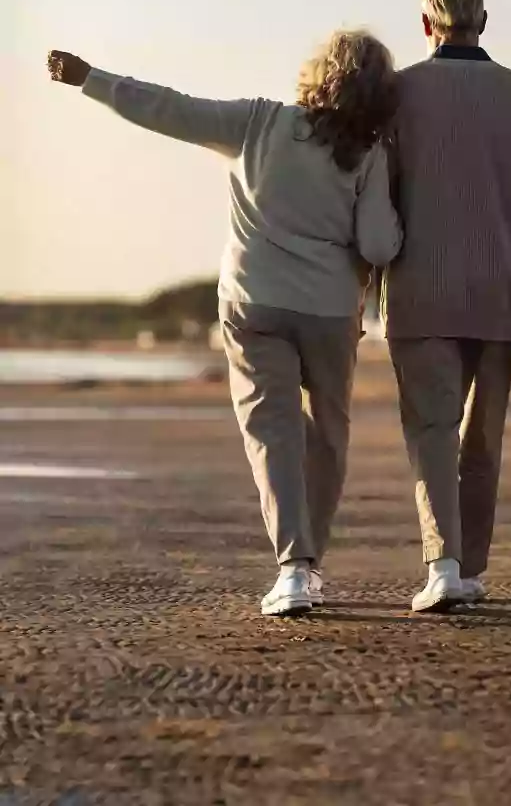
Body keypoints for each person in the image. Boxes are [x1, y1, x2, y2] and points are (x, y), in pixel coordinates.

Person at [47, 33, 403, 616]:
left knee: (273, 432)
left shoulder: (258, 122)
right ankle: (310, 565)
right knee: (327, 435)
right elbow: (378, 246)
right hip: (330, 311)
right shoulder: (367, 151)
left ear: (318, 73)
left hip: (254, 302)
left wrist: (92, 79)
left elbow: (170, 109)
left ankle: (293, 570)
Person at [382, 0, 511, 613]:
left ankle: (444, 567)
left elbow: (376, 200)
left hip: (417, 290)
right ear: (484, 20)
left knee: (432, 430)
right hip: (499, 292)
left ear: (424, 23)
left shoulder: (397, 93)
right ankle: (469, 569)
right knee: (481, 439)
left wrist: (357, 286)